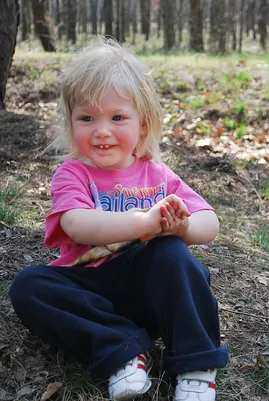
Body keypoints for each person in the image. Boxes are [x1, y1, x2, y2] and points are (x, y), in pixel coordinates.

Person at [9, 39, 227, 401]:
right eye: (87, 118)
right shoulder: (72, 174)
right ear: (71, 122)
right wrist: (144, 223)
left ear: (143, 125)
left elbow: (210, 223)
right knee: (29, 286)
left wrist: (181, 227)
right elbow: (78, 224)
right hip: (89, 288)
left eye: (117, 117)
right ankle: (122, 351)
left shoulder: (158, 175)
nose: (102, 130)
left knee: (173, 253)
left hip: (150, 292)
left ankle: (196, 365)